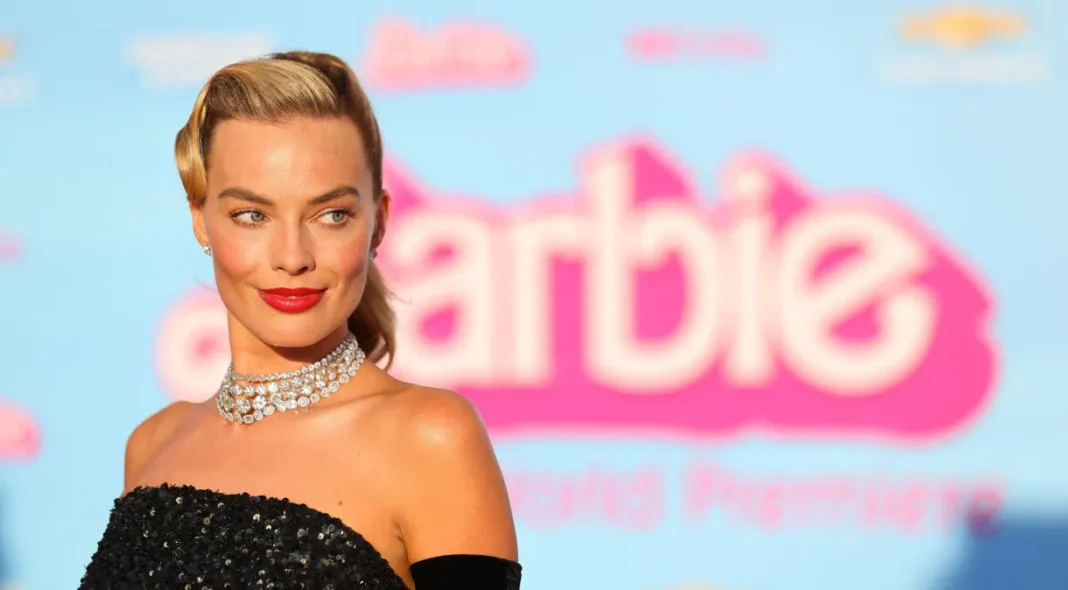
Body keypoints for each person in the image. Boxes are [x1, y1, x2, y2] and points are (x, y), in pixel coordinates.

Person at [79, 51, 521, 589]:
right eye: (252, 215)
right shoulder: (152, 444)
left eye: (331, 215)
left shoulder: (431, 437)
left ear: (378, 222)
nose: (292, 257)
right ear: (200, 219)